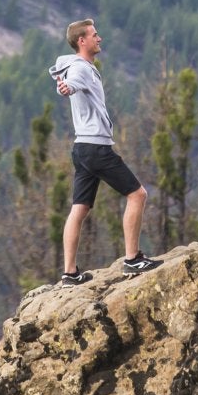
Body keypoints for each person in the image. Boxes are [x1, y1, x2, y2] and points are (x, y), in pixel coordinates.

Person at [47, 18, 159, 285]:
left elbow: (70, 82)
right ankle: (133, 259)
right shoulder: (80, 69)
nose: (100, 39)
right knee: (138, 195)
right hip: (96, 147)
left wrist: (66, 86)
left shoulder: (79, 67)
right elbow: (71, 83)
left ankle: (70, 274)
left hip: (82, 148)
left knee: (79, 208)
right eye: (95, 35)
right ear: (82, 41)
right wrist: (66, 87)